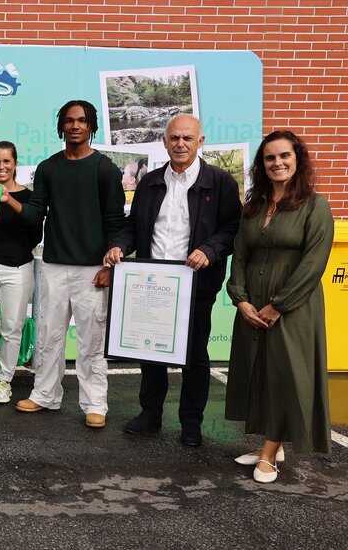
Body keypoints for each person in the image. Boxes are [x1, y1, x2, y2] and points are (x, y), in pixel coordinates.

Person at [104, 115, 241, 446]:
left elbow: (232, 229)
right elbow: (133, 226)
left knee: (194, 356)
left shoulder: (220, 182)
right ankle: (150, 414)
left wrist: (209, 249)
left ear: (200, 141)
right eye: (174, 138)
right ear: (164, 142)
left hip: (195, 283)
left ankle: (190, 423)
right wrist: (120, 246)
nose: (180, 144)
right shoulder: (149, 182)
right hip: (151, 282)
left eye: (187, 138)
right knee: (149, 350)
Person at [3, 100, 125, 428]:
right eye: (69, 121)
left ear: (91, 126)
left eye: (82, 121)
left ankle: (95, 404)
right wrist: (8, 199)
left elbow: (116, 222)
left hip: (93, 269)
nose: (75, 126)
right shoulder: (48, 168)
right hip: (54, 265)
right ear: (61, 126)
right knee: (47, 336)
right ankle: (45, 395)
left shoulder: (106, 170)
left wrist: (110, 267)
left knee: (91, 340)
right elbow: (34, 213)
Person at [225, 131, 334, 483]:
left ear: (297, 159)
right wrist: (240, 298)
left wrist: (278, 305)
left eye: (284, 156)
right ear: (262, 165)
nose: (278, 163)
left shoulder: (315, 206)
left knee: (284, 375)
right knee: (259, 374)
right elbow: (240, 255)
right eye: (270, 158)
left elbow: (314, 264)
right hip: (253, 305)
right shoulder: (254, 206)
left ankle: (270, 455)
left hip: (294, 307)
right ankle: (269, 444)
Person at [0, 141, 42, 405]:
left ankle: (4, 380)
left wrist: (9, 201)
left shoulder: (29, 198)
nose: (1, 166)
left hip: (17, 271)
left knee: (11, 330)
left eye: (6, 161)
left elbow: (34, 230)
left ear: (15, 163)